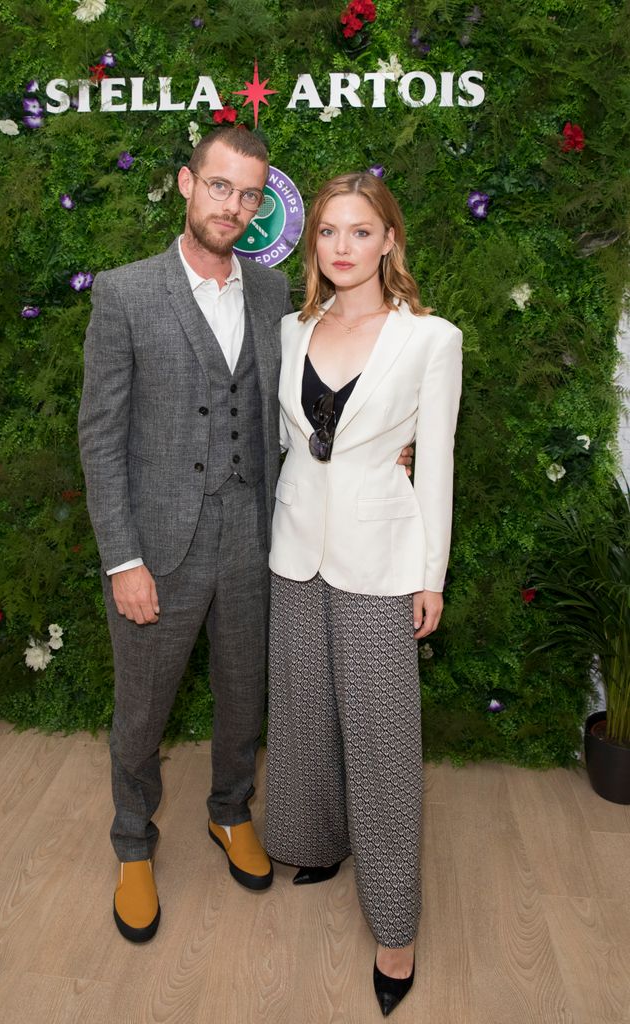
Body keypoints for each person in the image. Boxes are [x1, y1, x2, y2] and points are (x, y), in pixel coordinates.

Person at [78, 127, 292, 942]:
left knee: (244, 695)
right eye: (218, 187)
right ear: (185, 183)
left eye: (248, 195)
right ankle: (133, 841)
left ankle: (230, 811)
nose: (231, 206)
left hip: (253, 535)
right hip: (156, 545)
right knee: (142, 709)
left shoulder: (273, 294)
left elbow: (296, 408)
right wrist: (122, 558)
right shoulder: (126, 292)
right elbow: (99, 436)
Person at [264, 172, 462, 1016]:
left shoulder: (430, 339)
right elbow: (292, 442)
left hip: (383, 559)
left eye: (359, 231)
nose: (342, 247)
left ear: (389, 240)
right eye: (328, 233)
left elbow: (439, 464)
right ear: (314, 245)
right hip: (294, 551)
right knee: (304, 716)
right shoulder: (288, 329)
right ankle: (317, 841)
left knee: (381, 742)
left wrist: (432, 575)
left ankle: (395, 926)